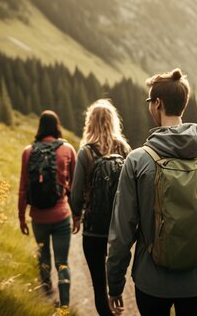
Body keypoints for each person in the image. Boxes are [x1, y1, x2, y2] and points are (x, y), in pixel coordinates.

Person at [106, 68, 197, 316]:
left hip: (150, 283)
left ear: (158, 104)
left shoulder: (137, 160)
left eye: (149, 102)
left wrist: (115, 284)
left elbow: (121, 233)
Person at [70, 99, 131, 316]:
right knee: (116, 275)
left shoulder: (86, 152)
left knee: (98, 284)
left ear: (90, 123)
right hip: (119, 226)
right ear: (114, 122)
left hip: (94, 227)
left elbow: (76, 193)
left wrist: (76, 216)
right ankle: (119, 301)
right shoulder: (124, 150)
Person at [18, 110, 77, 316]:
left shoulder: (28, 151)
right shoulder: (68, 149)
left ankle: (46, 295)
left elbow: (23, 188)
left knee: (43, 256)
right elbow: (74, 188)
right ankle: (65, 306)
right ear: (57, 126)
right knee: (62, 261)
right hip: (62, 216)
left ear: (40, 127)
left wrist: (21, 218)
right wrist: (77, 216)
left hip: (38, 218)